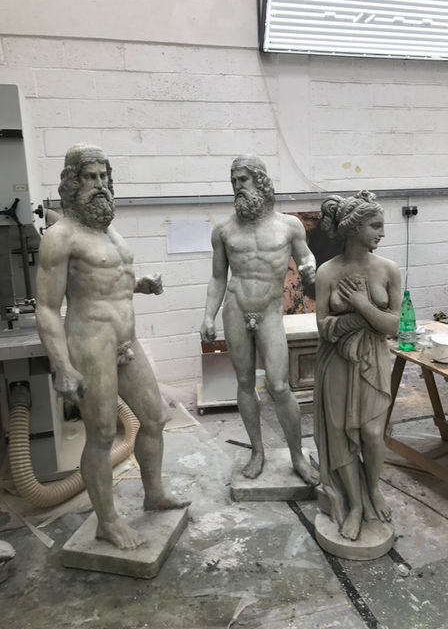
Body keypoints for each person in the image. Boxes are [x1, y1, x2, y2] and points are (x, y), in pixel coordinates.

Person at [35, 143, 188, 550]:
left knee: (154, 418)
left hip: (127, 342)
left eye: (104, 176)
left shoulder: (106, 229)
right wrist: (62, 365)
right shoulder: (60, 237)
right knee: (102, 435)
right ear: (72, 182)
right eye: (90, 177)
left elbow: (106, 279)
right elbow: (46, 308)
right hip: (91, 344)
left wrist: (140, 284)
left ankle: (153, 493)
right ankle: (108, 522)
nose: (100, 184)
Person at [200, 155, 319, 486]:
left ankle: (297, 455)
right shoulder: (223, 231)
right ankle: (257, 451)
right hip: (235, 308)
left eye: (243, 180)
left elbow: (306, 257)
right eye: (233, 181)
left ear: (261, 182)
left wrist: (310, 267)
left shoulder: (289, 225)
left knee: (280, 386)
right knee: (244, 383)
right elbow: (217, 277)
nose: (238, 187)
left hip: (269, 311)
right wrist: (208, 315)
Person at [313, 190, 401, 541]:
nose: (382, 232)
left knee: (372, 433)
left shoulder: (388, 269)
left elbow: (393, 326)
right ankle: (353, 503)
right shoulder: (327, 272)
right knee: (340, 437)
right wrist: (362, 319)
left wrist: (362, 305)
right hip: (336, 361)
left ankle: (373, 489)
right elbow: (323, 327)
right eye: (375, 225)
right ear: (353, 228)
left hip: (373, 360)